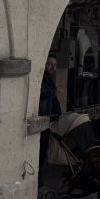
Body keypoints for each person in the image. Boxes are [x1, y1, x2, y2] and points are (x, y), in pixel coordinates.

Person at [37, 56, 62, 189]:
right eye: (50, 64)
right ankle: (38, 180)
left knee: (43, 152)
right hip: (43, 118)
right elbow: (41, 94)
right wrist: (54, 92)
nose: (53, 67)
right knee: (40, 152)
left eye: (55, 64)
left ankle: (39, 179)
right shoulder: (42, 78)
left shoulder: (49, 79)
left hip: (48, 119)